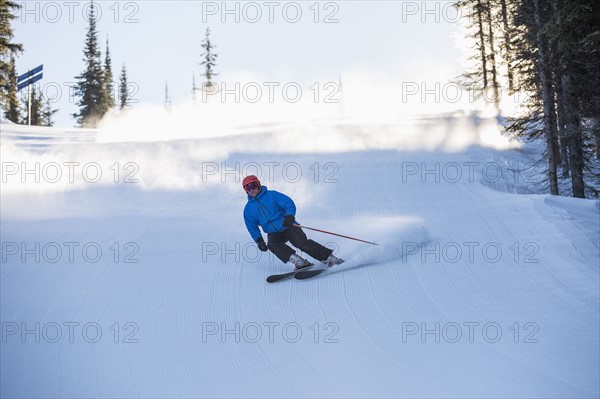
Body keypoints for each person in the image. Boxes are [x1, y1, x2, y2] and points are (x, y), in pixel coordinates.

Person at [242, 175, 343, 270]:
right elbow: (252, 226)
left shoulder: (272, 195)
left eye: (252, 185)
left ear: (258, 184)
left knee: (301, 243)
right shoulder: (248, 209)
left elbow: (288, 203)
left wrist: (289, 216)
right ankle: (300, 262)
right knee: (272, 244)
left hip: (288, 225)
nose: (251, 189)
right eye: (247, 188)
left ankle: (330, 258)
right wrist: (259, 240)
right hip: (273, 232)